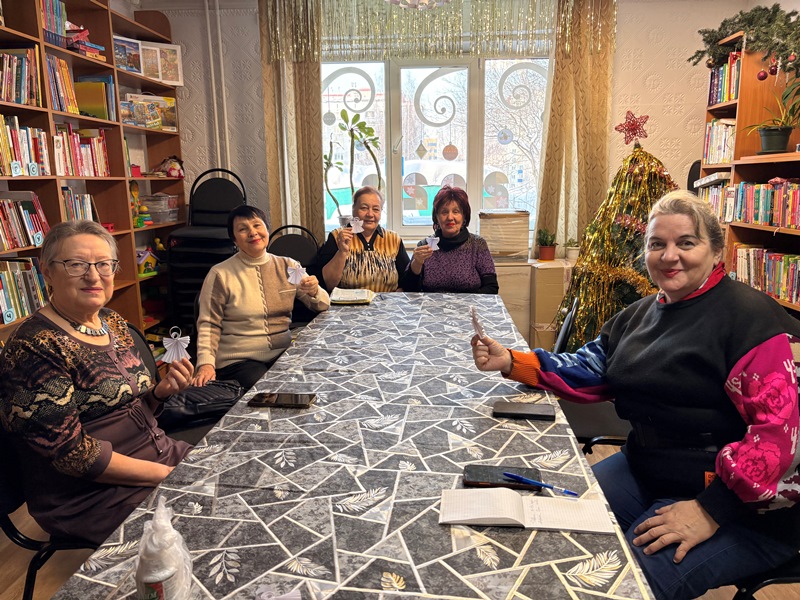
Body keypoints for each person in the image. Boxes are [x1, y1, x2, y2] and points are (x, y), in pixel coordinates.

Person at [472, 191, 800, 600]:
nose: (669, 256)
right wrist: (511, 361)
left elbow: (781, 440)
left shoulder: (752, 322)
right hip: (647, 467)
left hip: (742, 507)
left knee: (616, 584)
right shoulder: (640, 314)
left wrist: (711, 509)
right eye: (657, 244)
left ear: (717, 251)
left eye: (686, 242)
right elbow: (590, 369)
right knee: (555, 530)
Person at [0, 220, 195, 545]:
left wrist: (159, 393)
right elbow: (74, 455)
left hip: (155, 454)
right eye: (76, 264)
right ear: (47, 272)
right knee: (209, 524)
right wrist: (170, 476)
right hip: (88, 495)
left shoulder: (111, 321)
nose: (94, 276)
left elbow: (125, 406)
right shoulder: (35, 347)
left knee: (241, 478)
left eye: (104, 264)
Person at [193, 205, 329, 390]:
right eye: (243, 229)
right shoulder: (220, 274)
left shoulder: (289, 266)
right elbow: (209, 324)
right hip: (239, 361)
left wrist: (314, 291)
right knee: (270, 391)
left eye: (257, 225)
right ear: (234, 239)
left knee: (315, 379)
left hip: (282, 354)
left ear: (267, 229)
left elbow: (323, 305)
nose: (252, 232)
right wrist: (206, 364)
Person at [404, 186, 498, 294]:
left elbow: (492, 288)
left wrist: (463, 301)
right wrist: (417, 263)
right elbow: (409, 290)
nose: (450, 217)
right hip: (432, 304)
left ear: (464, 216)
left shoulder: (477, 244)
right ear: (436, 217)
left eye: (456, 211)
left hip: (469, 304)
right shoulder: (425, 246)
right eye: (444, 212)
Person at [317, 186, 410, 292]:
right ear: (353, 210)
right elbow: (327, 285)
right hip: (349, 301)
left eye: (376, 209)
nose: (370, 214)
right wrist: (342, 252)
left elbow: (407, 280)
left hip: (386, 301)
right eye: (364, 208)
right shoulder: (337, 236)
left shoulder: (393, 239)